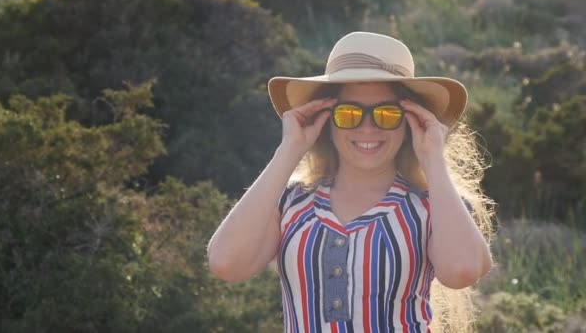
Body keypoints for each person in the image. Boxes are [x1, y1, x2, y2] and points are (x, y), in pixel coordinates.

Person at [208, 32, 494, 332]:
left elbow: (462, 270)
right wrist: (290, 149)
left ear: (411, 120)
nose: (367, 127)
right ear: (326, 117)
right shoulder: (290, 202)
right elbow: (226, 263)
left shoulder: (434, 205)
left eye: (387, 113)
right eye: (348, 113)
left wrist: (432, 156)